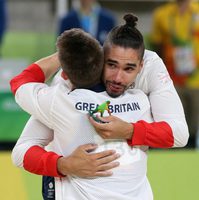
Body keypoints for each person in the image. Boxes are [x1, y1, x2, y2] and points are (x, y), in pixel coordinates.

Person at [11, 13, 189, 199]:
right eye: (111, 65)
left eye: (129, 68)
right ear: (101, 57)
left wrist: (128, 131)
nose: (118, 78)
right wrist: (64, 165)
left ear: (141, 67)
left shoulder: (63, 99)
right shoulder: (142, 102)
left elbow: (179, 135)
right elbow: (22, 151)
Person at [149, 0, 199, 147]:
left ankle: (191, 154)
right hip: (171, 77)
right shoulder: (162, 14)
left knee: (194, 120)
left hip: (196, 77)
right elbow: (156, 44)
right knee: (172, 118)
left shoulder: (198, 10)